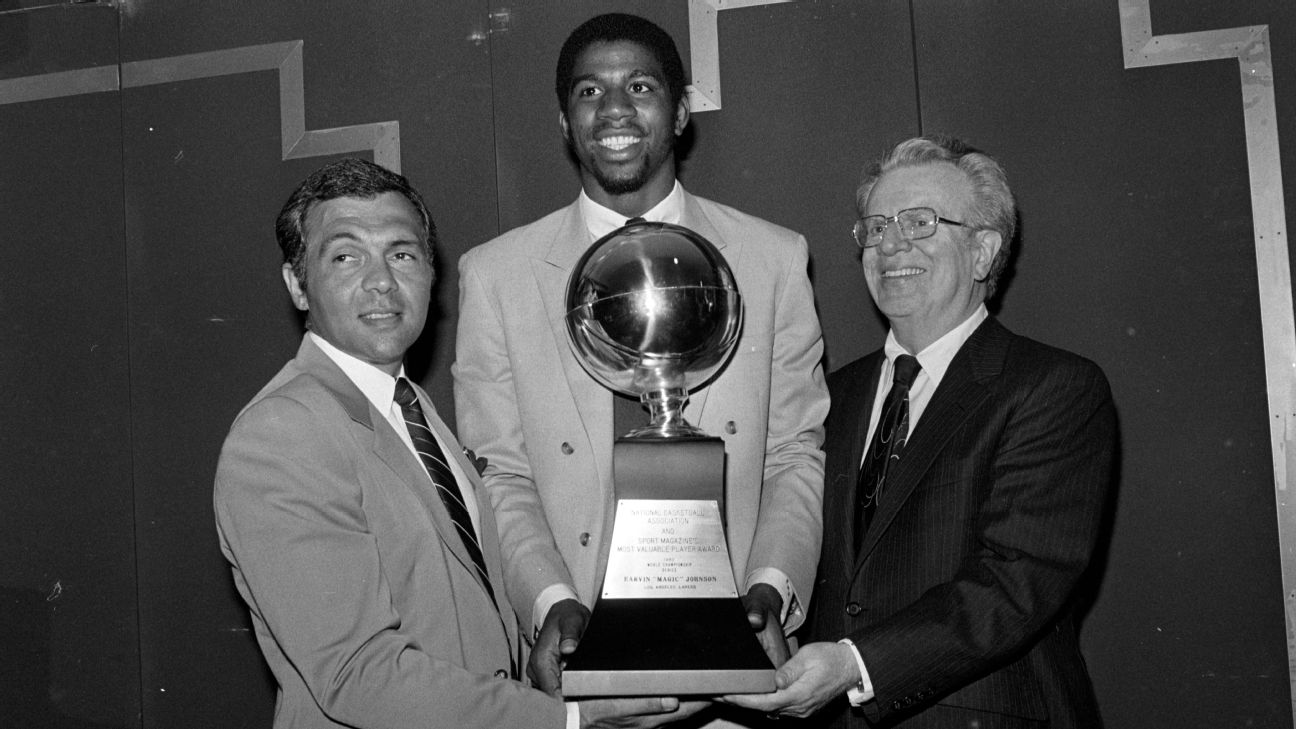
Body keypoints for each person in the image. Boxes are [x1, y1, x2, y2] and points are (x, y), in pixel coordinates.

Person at [214, 157, 691, 729]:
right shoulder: (282, 433)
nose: (381, 280)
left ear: (430, 273)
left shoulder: (408, 404)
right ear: (297, 284)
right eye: (345, 256)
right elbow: (357, 674)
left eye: (402, 254)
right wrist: (564, 721)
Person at [452, 11, 830, 710]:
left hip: (737, 679)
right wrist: (550, 602)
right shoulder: (496, 276)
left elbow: (793, 452)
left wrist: (769, 589)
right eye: (589, 91)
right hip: (580, 681)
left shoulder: (773, 259)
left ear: (680, 112)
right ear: (565, 121)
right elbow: (500, 471)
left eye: (641, 86)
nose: (615, 109)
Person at [723, 136, 1116, 727]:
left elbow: (1015, 583)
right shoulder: (830, 397)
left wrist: (855, 665)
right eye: (876, 227)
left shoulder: (1053, 387)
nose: (890, 244)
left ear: (983, 252)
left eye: (919, 222)